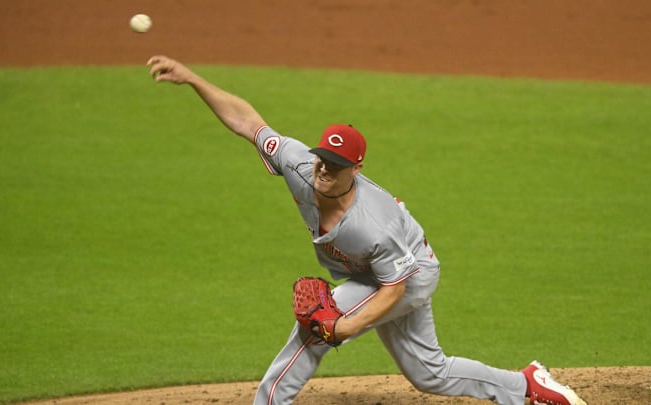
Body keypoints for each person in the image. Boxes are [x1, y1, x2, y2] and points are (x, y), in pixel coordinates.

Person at [146, 55, 587, 405]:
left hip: (408, 275)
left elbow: (394, 290)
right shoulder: (301, 165)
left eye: (335, 166)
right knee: (429, 374)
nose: (323, 170)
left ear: (354, 169)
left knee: (318, 327)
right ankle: (525, 384)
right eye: (322, 159)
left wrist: (344, 326)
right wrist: (193, 79)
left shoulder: (374, 224)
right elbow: (248, 122)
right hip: (374, 272)